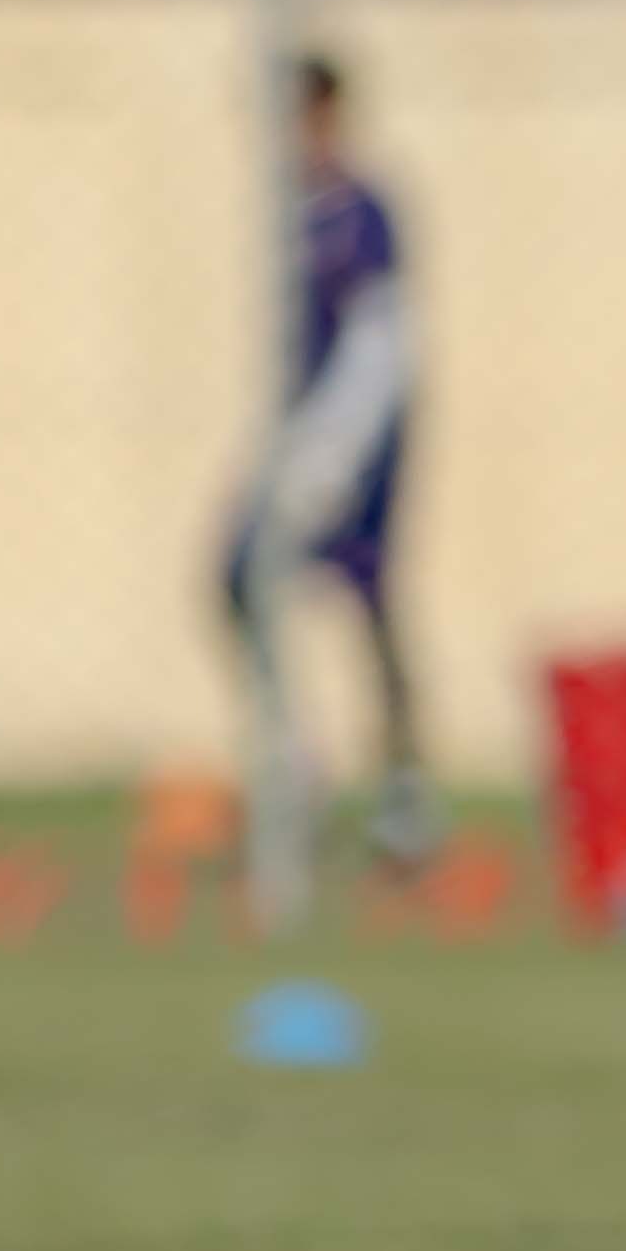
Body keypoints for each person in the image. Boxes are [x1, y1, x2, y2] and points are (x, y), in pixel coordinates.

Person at [218, 48, 439, 871]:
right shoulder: (290, 213)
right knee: (237, 577)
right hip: (300, 436)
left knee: (373, 607)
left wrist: (337, 453)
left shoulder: (362, 213)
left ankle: (404, 798)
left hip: (356, 445)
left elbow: (381, 343)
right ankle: (294, 766)